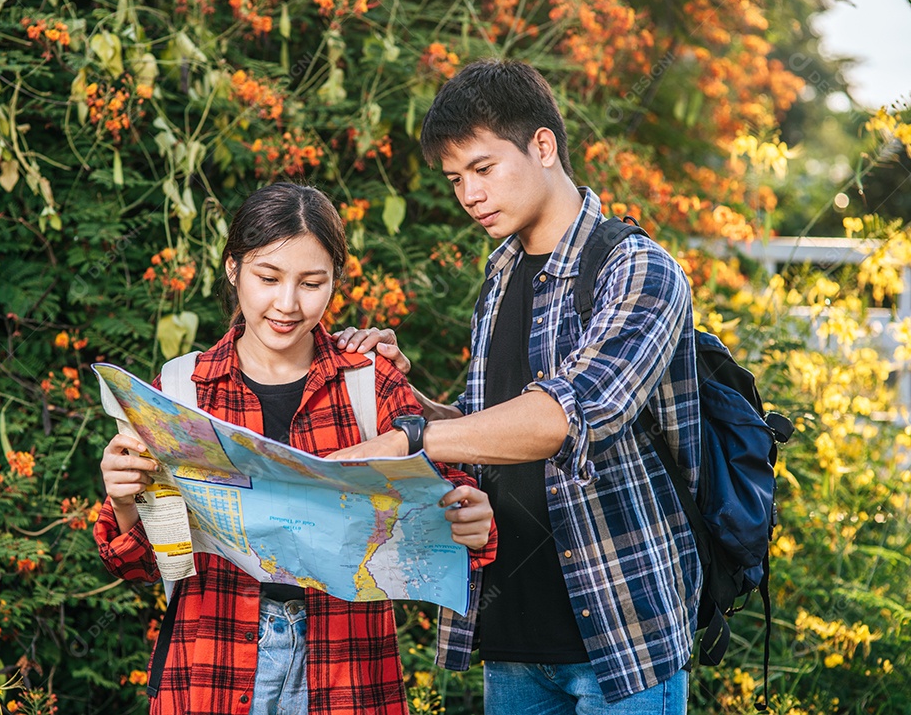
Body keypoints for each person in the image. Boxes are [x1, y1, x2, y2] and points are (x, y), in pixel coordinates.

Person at [329, 60, 702, 714]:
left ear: (543, 146)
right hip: (510, 639)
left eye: (482, 168)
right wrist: (394, 392)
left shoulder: (638, 268)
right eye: (454, 180)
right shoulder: (499, 275)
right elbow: (485, 430)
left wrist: (411, 434)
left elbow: (563, 419)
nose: (469, 194)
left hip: (620, 645)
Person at [94, 182, 496, 715]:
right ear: (233, 269)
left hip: (349, 668)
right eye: (267, 278)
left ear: (336, 282)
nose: (287, 304)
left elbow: (452, 501)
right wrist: (125, 502)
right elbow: (147, 564)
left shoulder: (370, 384)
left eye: (312, 283)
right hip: (212, 661)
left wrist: (471, 517)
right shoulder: (179, 392)